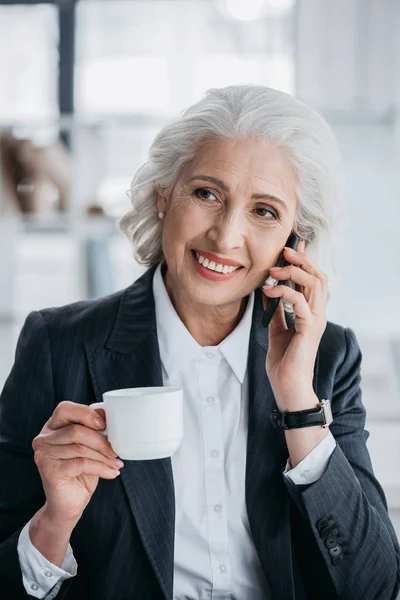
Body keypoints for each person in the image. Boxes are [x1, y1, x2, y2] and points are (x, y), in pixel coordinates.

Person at [0, 85, 399, 600]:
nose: (226, 236)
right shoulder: (58, 344)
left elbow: (376, 587)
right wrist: (54, 521)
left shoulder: (327, 357)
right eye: (207, 194)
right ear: (164, 194)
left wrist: (298, 399)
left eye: (265, 212)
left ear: (294, 242)